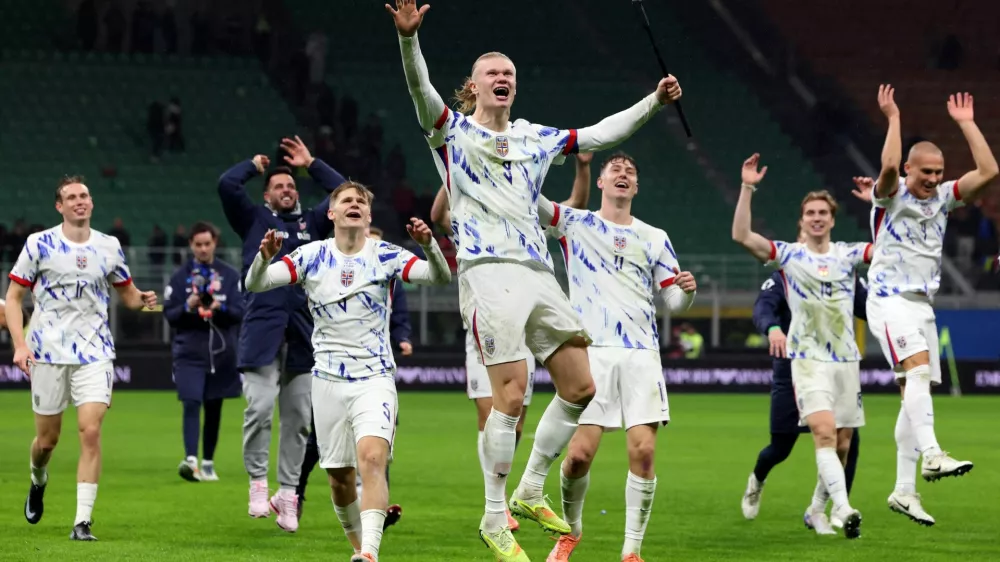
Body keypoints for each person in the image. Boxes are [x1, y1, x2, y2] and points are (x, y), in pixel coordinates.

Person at [387, 1, 682, 557]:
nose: (502, 78)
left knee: (581, 386)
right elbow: (419, 89)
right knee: (512, 394)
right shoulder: (451, 132)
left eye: (509, 74)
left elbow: (598, 134)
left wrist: (654, 102)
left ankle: (528, 488)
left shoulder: (535, 137)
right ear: (473, 86)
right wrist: (409, 40)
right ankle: (493, 517)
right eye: (492, 73)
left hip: (538, 272)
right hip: (487, 270)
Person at [244, 181, 451, 562]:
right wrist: (264, 257)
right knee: (339, 479)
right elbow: (254, 283)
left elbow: (439, 277)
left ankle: (369, 553)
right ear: (332, 213)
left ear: (368, 215)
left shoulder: (386, 254)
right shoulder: (310, 255)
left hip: (374, 378)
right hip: (326, 382)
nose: (354, 204)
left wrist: (429, 246)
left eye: (360, 201)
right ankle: (358, 546)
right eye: (346, 200)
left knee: (372, 459)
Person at [535, 152, 698, 562]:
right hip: (591, 353)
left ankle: (631, 551)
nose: (624, 174)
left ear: (636, 187)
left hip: (641, 353)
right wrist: (518, 166)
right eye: (616, 170)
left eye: (630, 172)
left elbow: (673, 301)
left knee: (643, 452)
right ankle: (571, 532)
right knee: (577, 457)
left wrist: (687, 292)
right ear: (602, 182)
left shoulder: (655, 236)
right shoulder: (576, 223)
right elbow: (532, 203)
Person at [429, 151, 594, 532]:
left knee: (516, 420)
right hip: (487, 318)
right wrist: (457, 167)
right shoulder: (470, 215)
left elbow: (573, 207)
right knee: (492, 412)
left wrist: (583, 165)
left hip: (524, 321)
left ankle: (520, 491)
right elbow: (439, 215)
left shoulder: (523, 214)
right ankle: (496, 505)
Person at [863, 85, 995, 524]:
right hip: (888, 298)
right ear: (909, 169)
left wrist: (967, 124)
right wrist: (894, 117)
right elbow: (886, 167)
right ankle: (933, 454)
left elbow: (989, 171)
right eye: (926, 172)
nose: (934, 179)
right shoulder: (890, 195)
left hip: (922, 305)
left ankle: (904, 491)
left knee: (913, 394)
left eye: (939, 172)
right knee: (918, 372)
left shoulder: (944, 198)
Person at [6, 176, 157, 540]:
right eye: (71, 197)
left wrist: (142, 300)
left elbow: (127, 295)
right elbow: (13, 298)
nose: (80, 201)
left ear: (91, 202)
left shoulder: (109, 246)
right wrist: (20, 345)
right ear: (59, 206)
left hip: (95, 351)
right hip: (47, 353)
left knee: (90, 431)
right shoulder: (38, 244)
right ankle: (38, 479)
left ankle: (82, 522)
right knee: (47, 442)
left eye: (84, 195)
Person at [732, 154, 870, 539]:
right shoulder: (788, 262)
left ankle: (819, 509)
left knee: (844, 443)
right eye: (811, 213)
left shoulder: (846, 259)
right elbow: (744, 244)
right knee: (784, 446)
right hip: (798, 363)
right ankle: (764, 484)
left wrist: (881, 204)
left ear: (832, 219)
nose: (817, 218)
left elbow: (877, 281)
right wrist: (747, 187)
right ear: (802, 221)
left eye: (823, 212)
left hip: (844, 360)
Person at [218, 135, 346, 531]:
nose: (286, 190)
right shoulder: (253, 219)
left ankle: (288, 494)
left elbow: (345, 192)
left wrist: (312, 164)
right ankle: (258, 483)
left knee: (299, 420)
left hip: (305, 333)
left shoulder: (315, 223)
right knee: (258, 410)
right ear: (267, 195)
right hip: (261, 331)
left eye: (291, 185)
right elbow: (227, 185)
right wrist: (253, 166)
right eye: (278, 186)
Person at [295, 224, 405, 528]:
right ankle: (295, 490)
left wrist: (403, 336)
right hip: (334, 374)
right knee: (318, 445)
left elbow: (400, 314)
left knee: (376, 444)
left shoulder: (388, 273)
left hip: (373, 370)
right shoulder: (331, 272)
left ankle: (373, 510)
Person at [163, 221, 244, 482]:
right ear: (191, 245)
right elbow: (170, 315)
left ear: (214, 243)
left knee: (214, 406)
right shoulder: (179, 277)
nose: (203, 249)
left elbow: (240, 312)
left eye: (207, 244)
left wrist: (220, 307)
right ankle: (191, 460)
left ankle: (208, 462)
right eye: (198, 244)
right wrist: (187, 305)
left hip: (222, 352)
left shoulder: (230, 276)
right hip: (189, 350)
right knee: (191, 401)